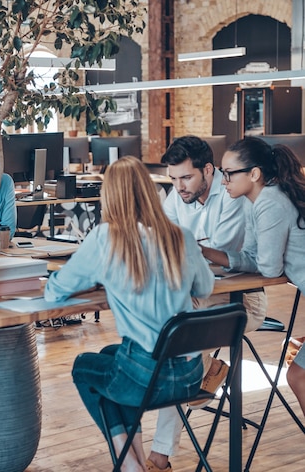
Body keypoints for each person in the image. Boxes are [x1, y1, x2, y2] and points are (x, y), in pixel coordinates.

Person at [45, 157, 214, 472]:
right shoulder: (180, 235)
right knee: (110, 356)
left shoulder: (106, 238)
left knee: (84, 369)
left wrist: (99, 277)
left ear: (109, 195)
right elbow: (204, 288)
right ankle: (134, 461)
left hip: (144, 378)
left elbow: (54, 291)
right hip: (189, 377)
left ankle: (129, 465)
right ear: (150, 192)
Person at [147, 136, 267, 472]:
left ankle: (159, 457)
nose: (179, 187)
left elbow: (217, 252)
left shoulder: (231, 197)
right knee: (169, 334)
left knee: (175, 343)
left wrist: (184, 248)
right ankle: (202, 371)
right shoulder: (179, 195)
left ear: (208, 171)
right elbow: (164, 237)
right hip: (196, 297)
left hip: (241, 301)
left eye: (186, 177)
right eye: (172, 179)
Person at [199, 137, 305, 418]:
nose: (223, 181)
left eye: (229, 174)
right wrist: (208, 252)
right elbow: (253, 257)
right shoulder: (254, 200)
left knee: (299, 378)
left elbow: (268, 268)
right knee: (299, 377)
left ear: (254, 174)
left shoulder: (270, 202)